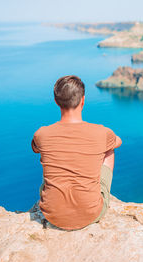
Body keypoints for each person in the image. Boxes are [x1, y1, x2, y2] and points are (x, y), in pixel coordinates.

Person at [31, 75, 122, 230]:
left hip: (52, 214)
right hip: (91, 213)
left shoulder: (42, 134)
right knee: (109, 150)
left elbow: (35, 148)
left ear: (56, 102)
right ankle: (91, 196)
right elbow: (118, 142)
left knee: (49, 158)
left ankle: (58, 199)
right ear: (83, 100)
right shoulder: (101, 132)